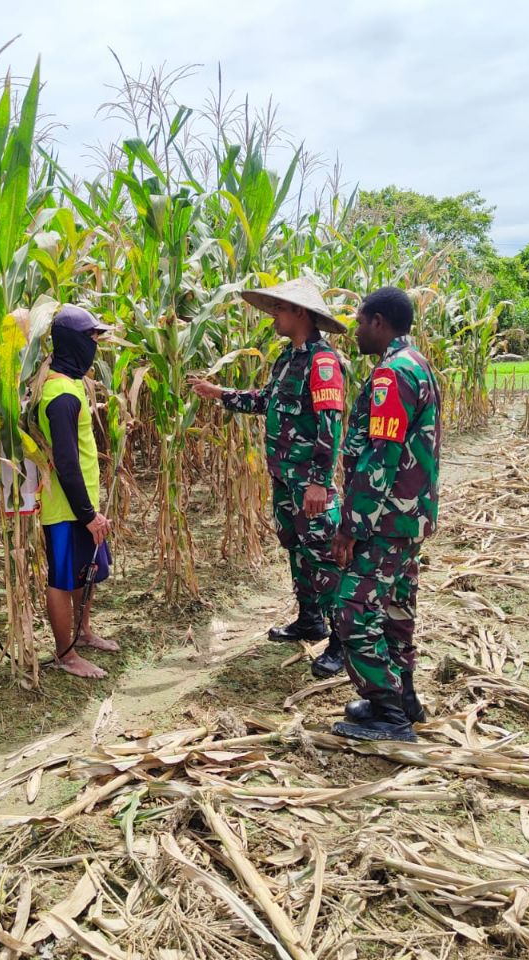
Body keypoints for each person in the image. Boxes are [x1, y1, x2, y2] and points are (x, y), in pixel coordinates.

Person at [190, 277, 347, 646]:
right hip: (285, 478)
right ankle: (310, 620)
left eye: (279, 308)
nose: (273, 315)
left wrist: (319, 482)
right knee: (296, 547)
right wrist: (220, 394)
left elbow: (330, 425)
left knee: (321, 554)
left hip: (308, 481)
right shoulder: (288, 359)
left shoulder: (323, 362)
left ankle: (342, 641)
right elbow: (265, 401)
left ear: (300, 312)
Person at [325, 286, 441, 743]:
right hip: (408, 517)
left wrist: (351, 526)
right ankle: (402, 697)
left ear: (378, 322)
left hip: (385, 519)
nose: (354, 331)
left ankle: (389, 713)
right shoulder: (418, 364)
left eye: (358, 322)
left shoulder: (392, 374)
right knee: (396, 609)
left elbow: (381, 456)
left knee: (352, 612)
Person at [37, 305, 118, 679]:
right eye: (91, 339)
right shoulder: (61, 395)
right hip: (66, 509)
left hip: (81, 504)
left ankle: (83, 634)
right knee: (63, 579)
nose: (95, 347)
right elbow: (67, 463)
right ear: (72, 342)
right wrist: (88, 515)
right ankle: (65, 654)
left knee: (86, 572)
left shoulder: (69, 387)